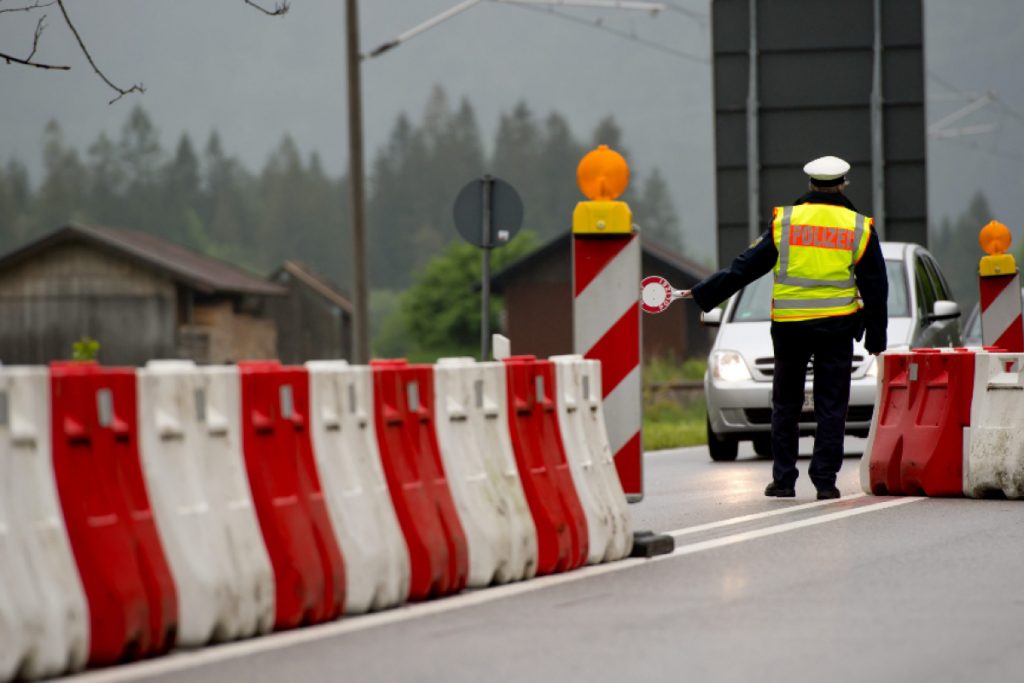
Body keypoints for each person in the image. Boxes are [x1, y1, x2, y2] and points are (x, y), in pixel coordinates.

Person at [680, 155, 888, 500]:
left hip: (790, 328)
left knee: (786, 404)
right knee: (832, 406)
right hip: (837, 328)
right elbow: (876, 287)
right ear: (842, 185)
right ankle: (825, 482)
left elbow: (746, 267)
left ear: (810, 184)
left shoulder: (786, 222)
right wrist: (876, 338)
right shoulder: (859, 227)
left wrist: (704, 293)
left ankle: (784, 479)